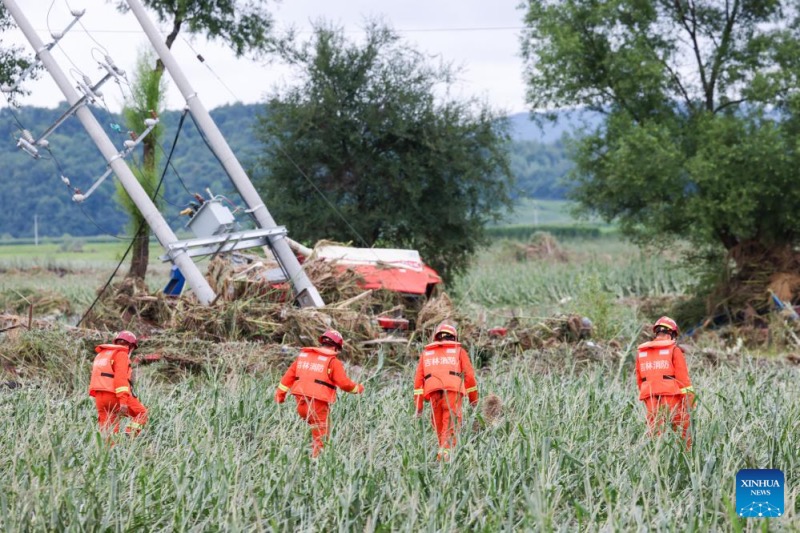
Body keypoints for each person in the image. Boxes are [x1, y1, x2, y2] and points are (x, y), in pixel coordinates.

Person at [275, 329, 365, 457]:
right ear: (336, 348)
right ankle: (317, 463)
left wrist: (280, 395)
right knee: (321, 438)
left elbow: (287, 378)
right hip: (317, 405)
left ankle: (303, 454)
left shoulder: (304, 357)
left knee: (312, 431)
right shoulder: (332, 362)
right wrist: (358, 389)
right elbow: (344, 384)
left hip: (300, 404)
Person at [413, 322, 479, 461]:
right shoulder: (458, 351)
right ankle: (445, 460)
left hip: (433, 392)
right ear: (454, 337)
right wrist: (474, 401)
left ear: (437, 338)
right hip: (453, 391)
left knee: (439, 426)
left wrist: (418, 407)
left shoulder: (426, 353)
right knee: (450, 426)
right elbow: (470, 378)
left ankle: (442, 456)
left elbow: (418, 382)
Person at [635, 316, 695, 448]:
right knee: (682, 428)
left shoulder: (641, 352)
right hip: (670, 395)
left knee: (655, 430)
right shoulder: (674, 350)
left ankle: (657, 459)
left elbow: (639, 380)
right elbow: (683, 380)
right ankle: (686, 456)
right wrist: (691, 402)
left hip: (649, 396)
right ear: (672, 334)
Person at [88, 330, 148, 437]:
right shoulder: (121, 354)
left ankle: (108, 452)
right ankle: (129, 436)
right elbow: (120, 379)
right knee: (142, 413)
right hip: (114, 396)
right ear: (130, 346)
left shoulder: (101, 355)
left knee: (109, 433)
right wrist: (123, 401)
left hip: (100, 398)